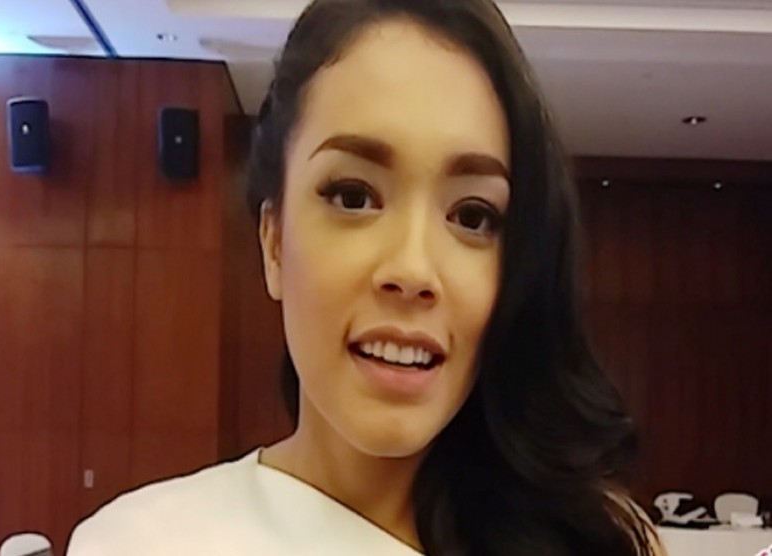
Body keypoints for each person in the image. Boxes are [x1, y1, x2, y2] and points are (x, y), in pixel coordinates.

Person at [68, 0, 666, 554]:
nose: (412, 269)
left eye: (472, 216)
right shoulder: (141, 542)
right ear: (273, 242)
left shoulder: (600, 540)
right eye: (353, 197)